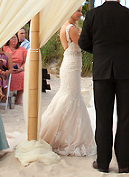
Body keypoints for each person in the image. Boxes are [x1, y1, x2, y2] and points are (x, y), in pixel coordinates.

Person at [78, 0, 129, 174]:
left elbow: (83, 42)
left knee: (103, 118)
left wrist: (99, 52)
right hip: (125, 72)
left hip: (101, 72)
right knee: (124, 118)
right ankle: (124, 162)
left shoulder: (92, 15)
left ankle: (103, 162)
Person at [39, 8, 96, 156]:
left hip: (71, 63)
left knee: (68, 95)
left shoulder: (66, 26)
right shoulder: (70, 28)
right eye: (77, 11)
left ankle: (60, 131)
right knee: (71, 96)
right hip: (71, 65)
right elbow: (84, 44)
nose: (80, 13)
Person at [4, 34, 27, 105]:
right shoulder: (4, 48)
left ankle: (18, 98)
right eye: (12, 38)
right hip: (7, 67)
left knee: (24, 75)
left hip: (19, 68)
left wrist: (21, 68)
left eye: (15, 38)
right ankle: (4, 97)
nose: (14, 39)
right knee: (5, 75)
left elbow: (26, 62)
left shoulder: (22, 49)